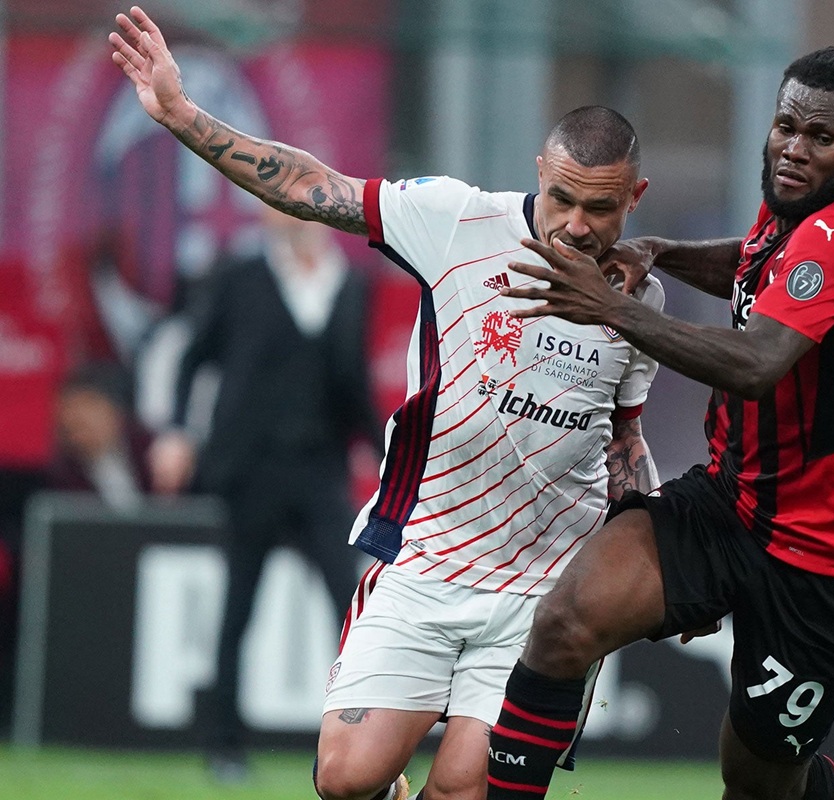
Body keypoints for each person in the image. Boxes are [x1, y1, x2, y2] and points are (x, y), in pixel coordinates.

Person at [111, 8, 664, 800]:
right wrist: (183, 116)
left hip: (540, 595)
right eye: (563, 198)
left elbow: (626, 440)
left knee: (462, 791)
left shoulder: (640, 303)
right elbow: (312, 187)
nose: (577, 225)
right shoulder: (456, 220)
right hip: (426, 563)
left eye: (601, 209)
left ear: (635, 196)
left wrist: (649, 542)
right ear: (538, 168)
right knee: (345, 780)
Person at [476, 33, 834, 800]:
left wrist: (610, 306)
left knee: (755, 784)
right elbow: (752, 262)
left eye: (821, 137)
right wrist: (658, 250)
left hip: (822, 556)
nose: (793, 148)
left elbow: (754, 366)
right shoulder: (793, 212)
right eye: (787, 126)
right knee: (564, 624)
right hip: (732, 502)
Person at [147, 205, 384, 778]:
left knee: (350, 608)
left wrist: (389, 454)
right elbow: (192, 357)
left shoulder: (348, 284)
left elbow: (351, 384)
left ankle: (360, 745)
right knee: (238, 608)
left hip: (320, 469)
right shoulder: (240, 277)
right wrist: (178, 430)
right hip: (250, 470)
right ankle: (223, 744)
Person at [47, 361, 155, 510]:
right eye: (67, 408)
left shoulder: (151, 453)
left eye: (87, 405)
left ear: (115, 411)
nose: (74, 418)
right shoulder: (60, 477)